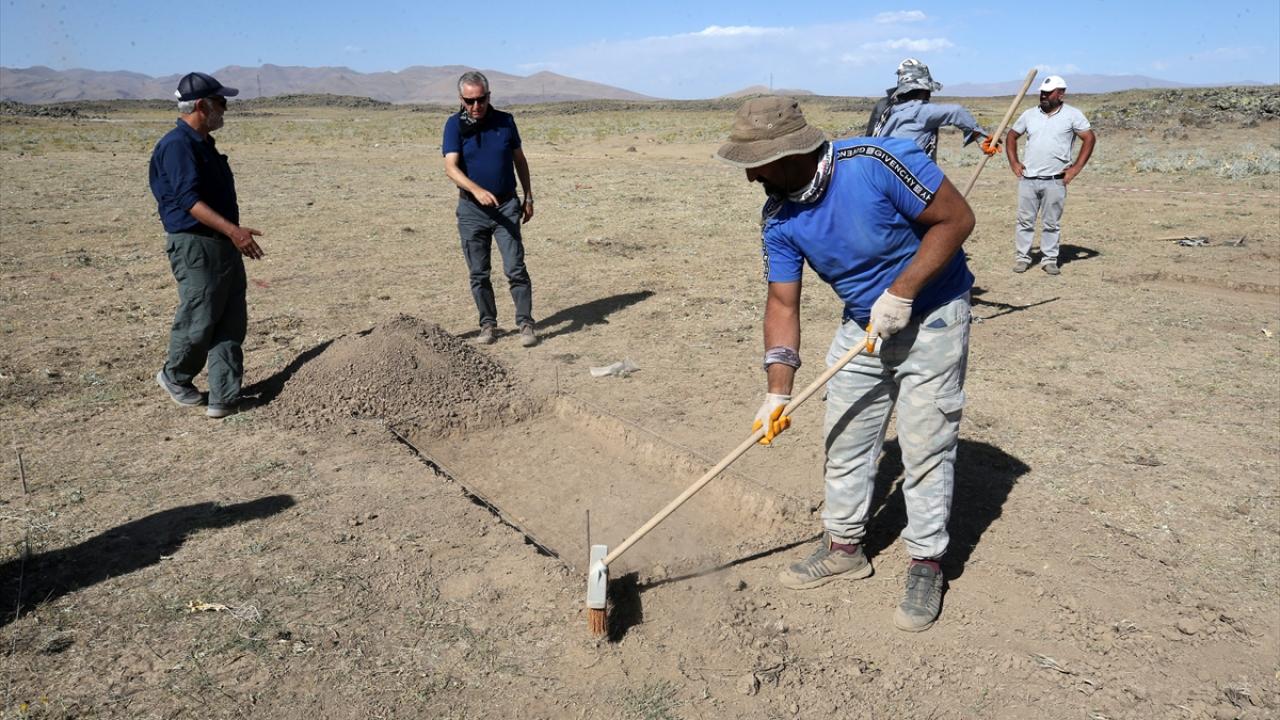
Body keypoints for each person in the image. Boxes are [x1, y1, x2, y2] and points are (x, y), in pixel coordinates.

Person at [717, 97, 976, 632]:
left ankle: (926, 560)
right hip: (863, 326)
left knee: (926, 442)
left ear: (789, 153)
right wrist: (778, 392)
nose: (749, 179)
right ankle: (845, 547)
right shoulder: (779, 218)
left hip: (932, 315)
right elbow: (782, 305)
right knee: (845, 439)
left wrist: (902, 291)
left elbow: (956, 219)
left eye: (755, 165)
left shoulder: (877, 162)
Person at [149, 72, 264, 419]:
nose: (225, 109)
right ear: (201, 105)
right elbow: (189, 201)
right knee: (200, 317)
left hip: (223, 244)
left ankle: (224, 396)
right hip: (196, 246)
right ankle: (175, 376)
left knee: (231, 320)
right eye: (221, 103)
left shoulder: (203, 145)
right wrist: (234, 231)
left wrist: (232, 235)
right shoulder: (176, 146)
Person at [442, 71, 538, 347]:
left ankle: (525, 323)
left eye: (481, 99)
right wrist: (476, 190)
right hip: (472, 210)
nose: (476, 106)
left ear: (489, 96)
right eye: (469, 101)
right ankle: (488, 324)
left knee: (515, 267)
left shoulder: (506, 122)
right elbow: (450, 167)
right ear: (461, 99)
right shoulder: (454, 126)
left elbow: (520, 160)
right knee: (478, 272)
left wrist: (528, 197)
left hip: (506, 206)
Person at [1004, 75, 1096, 275]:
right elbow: (1011, 135)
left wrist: (1075, 168)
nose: (1043, 96)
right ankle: (1022, 258)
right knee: (1024, 222)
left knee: (1051, 223)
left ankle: (1049, 259)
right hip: (1028, 179)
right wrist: (1014, 162)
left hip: (1055, 180)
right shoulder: (1029, 114)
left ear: (1060, 93)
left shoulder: (1073, 115)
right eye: (1042, 93)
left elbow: (1089, 138)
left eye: (1048, 93)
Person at [866, 58, 999, 161]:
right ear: (923, 90)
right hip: (913, 178)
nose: (930, 95)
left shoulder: (891, 110)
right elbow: (956, 111)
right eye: (928, 90)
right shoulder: (919, 111)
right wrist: (981, 139)